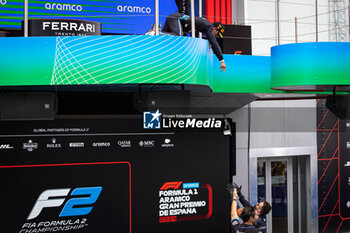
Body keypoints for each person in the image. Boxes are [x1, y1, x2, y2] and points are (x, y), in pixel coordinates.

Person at [161, 2, 226, 72]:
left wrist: (209, 41)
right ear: (214, 29)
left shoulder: (201, 25)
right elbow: (214, 42)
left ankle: (158, 33)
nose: (215, 36)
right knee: (178, 37)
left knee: (164, 38)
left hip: (173, 18)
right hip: (176, 19)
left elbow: (197, 38)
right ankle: (158, 32)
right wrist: (221, 61)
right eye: (216, 34)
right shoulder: (209, 26)